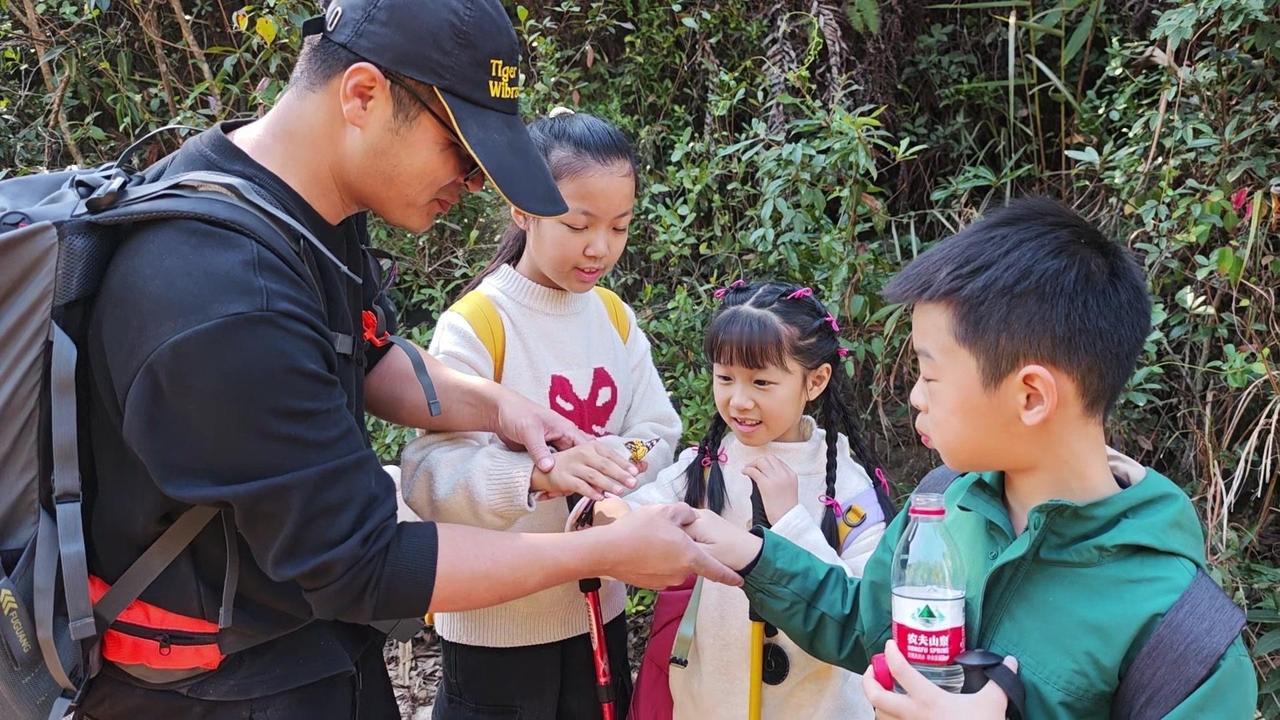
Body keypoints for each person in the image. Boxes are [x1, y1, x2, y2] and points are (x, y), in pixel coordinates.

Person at [76, 0, 736, 717]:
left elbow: (366, 352)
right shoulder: (222, 297)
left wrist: (502, 407)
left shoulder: (295, 206)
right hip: (225, 689)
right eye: (462, 149)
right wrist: (599, 554)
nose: (476, 181)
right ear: (362, 95)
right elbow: (367, 564)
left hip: (315, 652)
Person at [684, 199, 1258, 719]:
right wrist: (756, 557)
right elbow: (867, 625)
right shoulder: (943, 506)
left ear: (1030, 396)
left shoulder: (1180, 634)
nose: (915, 394)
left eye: (930, 373)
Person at [400, 108, 682, 718]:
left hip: (597, 610)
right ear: (521, 208)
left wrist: (611, 469)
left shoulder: (612, 316)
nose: (600, 247)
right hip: (494, 623)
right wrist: (538, 475)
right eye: (578, 224)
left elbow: (658, 431)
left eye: (620, 227)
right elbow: (430, 472)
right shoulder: (479, 323)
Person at [592, 280, 895, 719]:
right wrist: (612, 511)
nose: (738, 400)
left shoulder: (846, 486)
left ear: (815, 381)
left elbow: (866, 611)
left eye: (761, 382)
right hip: (710, 700)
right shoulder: (710, 465)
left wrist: (790, 517)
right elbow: (640, 509)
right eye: (725, 377)